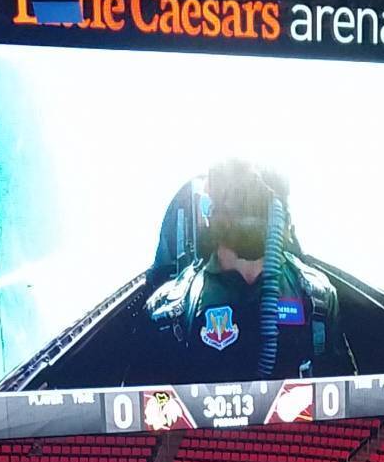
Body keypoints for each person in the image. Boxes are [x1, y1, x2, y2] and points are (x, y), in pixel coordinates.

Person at [144, 160, 354, 383]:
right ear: (210, 207)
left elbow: (348, 403)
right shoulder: (169, 311)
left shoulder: (317, 298)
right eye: (238, 191)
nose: (249, 201)